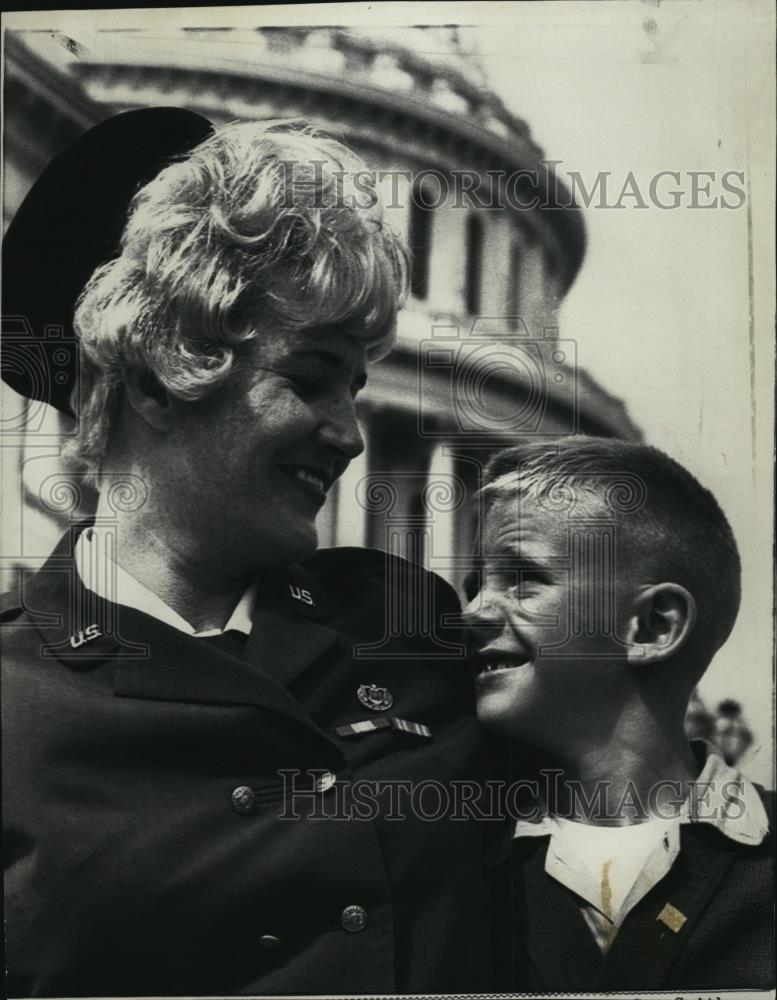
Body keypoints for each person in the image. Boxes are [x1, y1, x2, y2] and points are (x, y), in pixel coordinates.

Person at [1, 109, 494, 996]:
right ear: (159, 375)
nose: (347, 435)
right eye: (307, 379)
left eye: (354, 386)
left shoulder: (409, 630)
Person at [464, 436, 774, 993]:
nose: (470, 614)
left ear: (654, 626)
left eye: (522, 579)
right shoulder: (450, 858)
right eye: (474, 584)